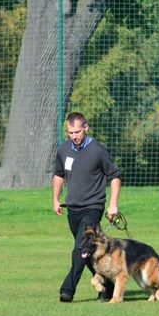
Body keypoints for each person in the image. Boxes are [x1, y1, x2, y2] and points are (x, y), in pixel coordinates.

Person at [52, 112, 122, 302]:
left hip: (93, 207)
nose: (74, 136)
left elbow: (115, 176)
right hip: (73, 209)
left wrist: (113, 204)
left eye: (77, 132)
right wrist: (56, 199)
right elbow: (58, 175)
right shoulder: (63, 149)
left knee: (80, 248)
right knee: (87, 252)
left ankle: (67, 290)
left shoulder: (97, 150)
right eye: (70, 132)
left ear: (86, 128)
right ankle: (108, 287)